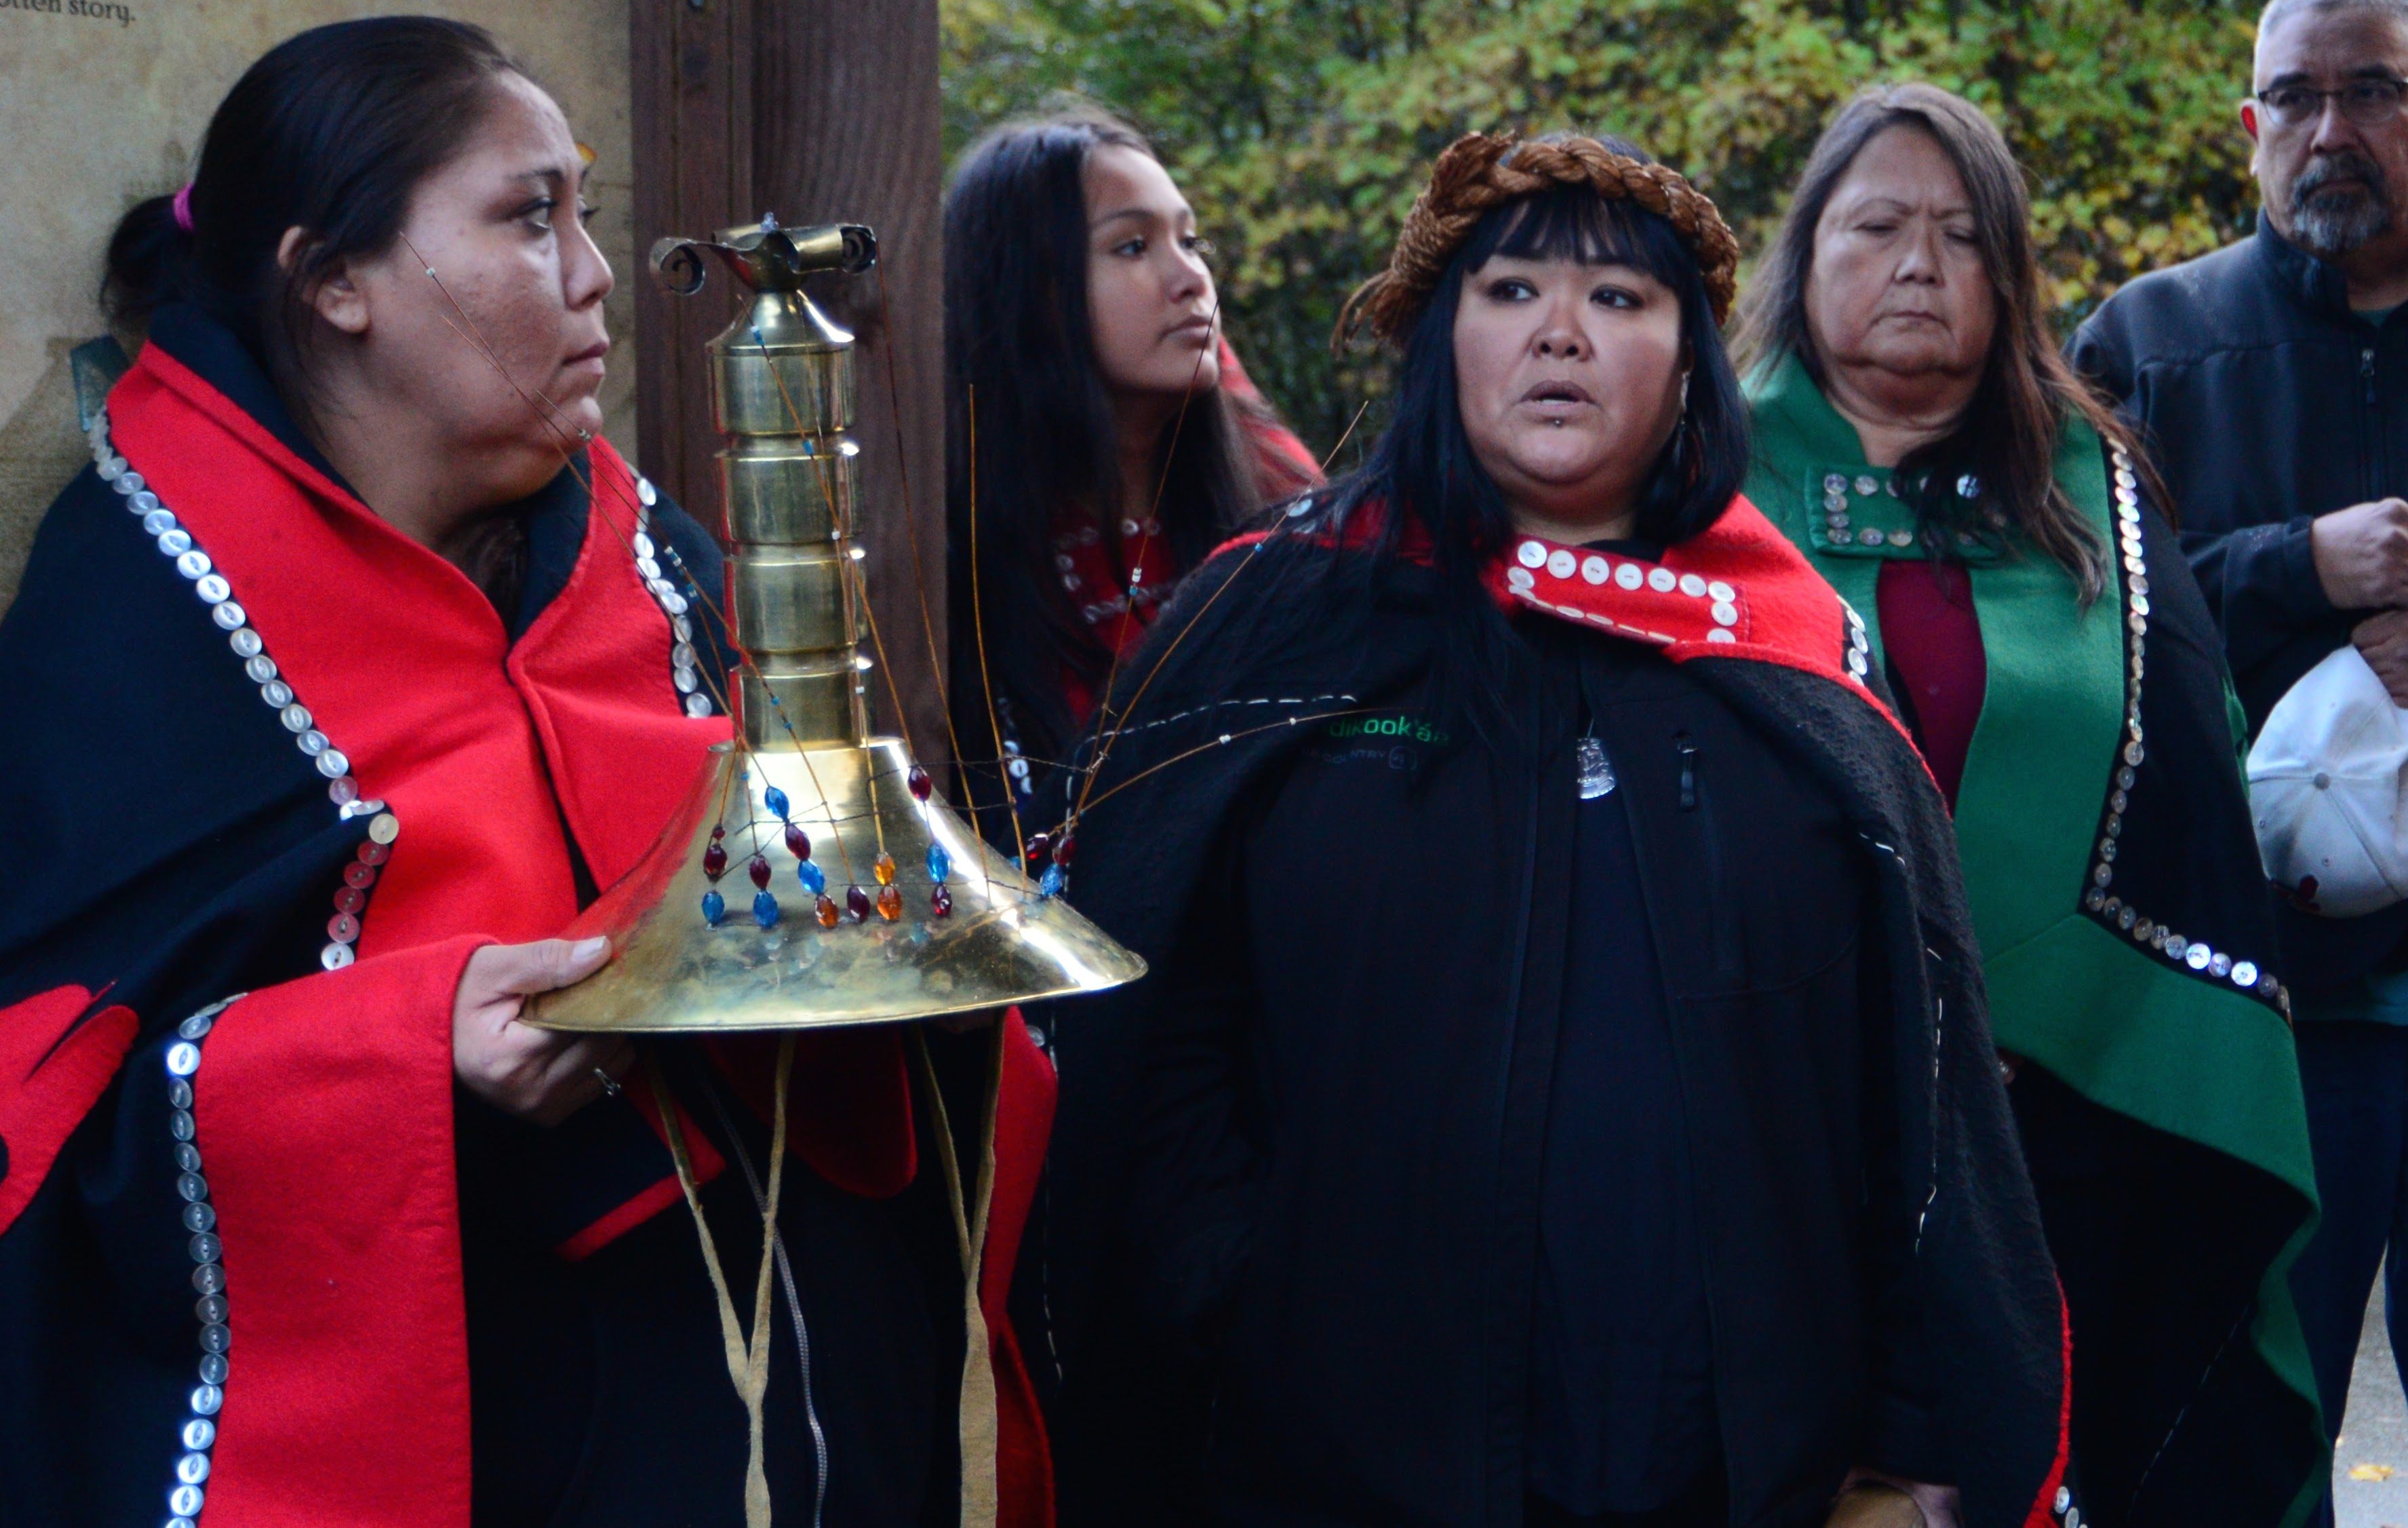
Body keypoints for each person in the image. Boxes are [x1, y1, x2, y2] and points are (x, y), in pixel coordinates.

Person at [0, 17, 1055, 1527]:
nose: (595, 268)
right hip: (448, 1409)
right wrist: (399, 1054)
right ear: (335, 281)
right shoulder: (138, 606)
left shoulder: (641, 549)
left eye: (583, 205)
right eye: (526, 214)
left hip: (772, 1362)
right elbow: (42, 1102)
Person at [1044, 131, 2073, 1527]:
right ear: (1439, 339)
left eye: (1621, 301)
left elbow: (1906, 1081)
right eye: (1514, 292)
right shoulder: (1277, 618)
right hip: (1333, 1453)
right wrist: (1243, 1285)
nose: (1564, 338)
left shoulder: (1783, 647)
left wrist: (1894, 1443)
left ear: (1688, 359)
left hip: (1733, 1459)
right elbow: (1141, 1010)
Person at [1734, 83, 2321, 1526]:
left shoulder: (2089, 490)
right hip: (1771, 1112)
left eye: (1961, 235)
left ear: (2011, 279)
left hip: (2072, 1110)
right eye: (1876, 226)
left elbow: (2185, 784)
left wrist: (2024, 1012)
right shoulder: (1701, 478)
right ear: (1802, 258)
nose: (1920, 264)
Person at [2073, 0, 2408, 1525]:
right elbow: (2081, 613)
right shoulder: (2144, 344)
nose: (2331, 126)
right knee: (2239, 1431)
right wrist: (2297, 561)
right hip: (2242, 1011)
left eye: (2370, 90)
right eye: (2295, 95)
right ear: (2247, 127)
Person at [942, 109, 1319, 850]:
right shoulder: (956, 572)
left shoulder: (1272, 520)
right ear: (1028, 292)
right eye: (1133, 245)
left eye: (1190, 239)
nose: (1191, 279)